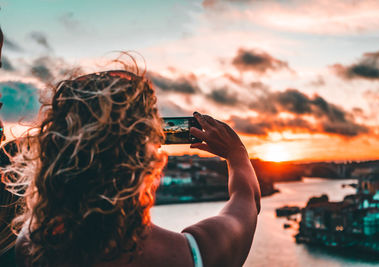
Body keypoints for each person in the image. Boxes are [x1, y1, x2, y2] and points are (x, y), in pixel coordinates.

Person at [5, 67, 261, 266]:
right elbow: (247, 200)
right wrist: (236, 155)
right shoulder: (188, 255)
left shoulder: (30, 246)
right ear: (146, 165)